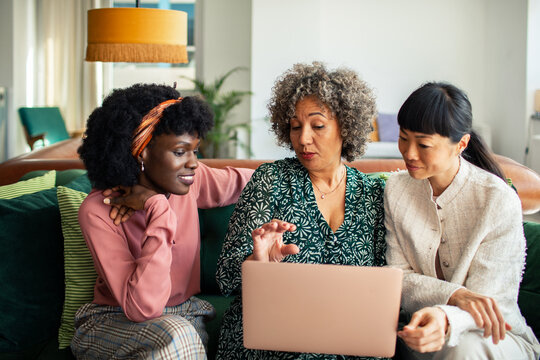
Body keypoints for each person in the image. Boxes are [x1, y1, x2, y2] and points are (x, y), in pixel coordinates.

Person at [215, 62, 388, 360]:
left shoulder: (373, 193)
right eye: (295, 127)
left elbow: (388, 285)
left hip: (346, 336)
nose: (303, 138)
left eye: (317, 126)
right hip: (274, 336)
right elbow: (225, 278)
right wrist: (257, 263)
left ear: (346, 127)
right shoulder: (271, 180)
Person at [71, 83, 253, 359]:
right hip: (112, 322)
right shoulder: (99, 210)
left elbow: (253, 181)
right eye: (180, 152)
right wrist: (157, 208)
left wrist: (319, 170)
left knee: (179, 334)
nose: (193, 163)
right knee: (177, 335)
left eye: (195, 150)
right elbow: (143, 307)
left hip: (183, 318)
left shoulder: (192, 179)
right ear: (142, 153)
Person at [384, 82, 540, 359]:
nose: (408, 153)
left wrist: (445, 316)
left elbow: (491, 303)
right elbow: (399, 278)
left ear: (462, 144)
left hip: (493, 337)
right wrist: (454, 295)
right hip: (421, 335)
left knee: (463, 349)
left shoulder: (497, 199)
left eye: (423, 144)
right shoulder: (396, 189)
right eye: (403, 138)